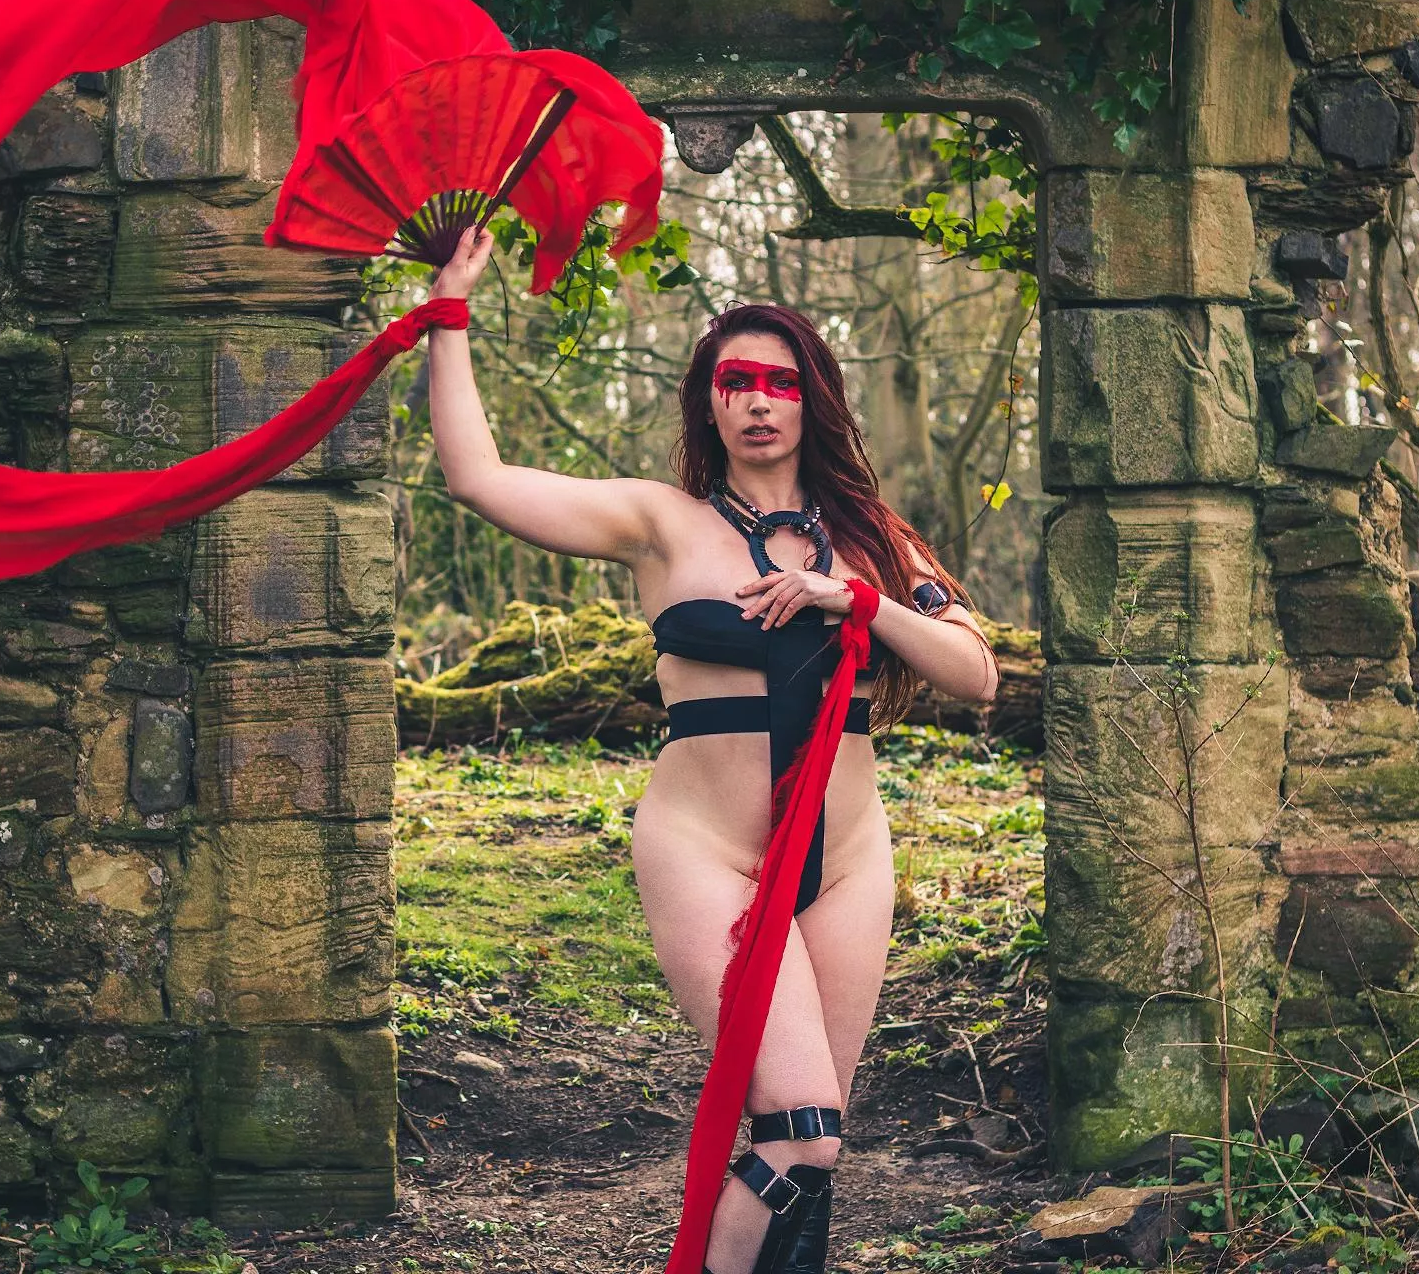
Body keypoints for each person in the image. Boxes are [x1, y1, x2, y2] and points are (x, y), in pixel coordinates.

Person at [421, 226, 999, 1274]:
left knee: (813, 1150)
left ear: (811, 397)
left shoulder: (873, 535)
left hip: (849, 865)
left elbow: (977, 670)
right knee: (802, 1129)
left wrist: (854, 595)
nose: (758, 398)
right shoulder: (661, 523)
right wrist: (450, 313)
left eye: (780, 380)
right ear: (711, 400)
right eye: (735, 379)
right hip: (708, 854)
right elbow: (476, 476)